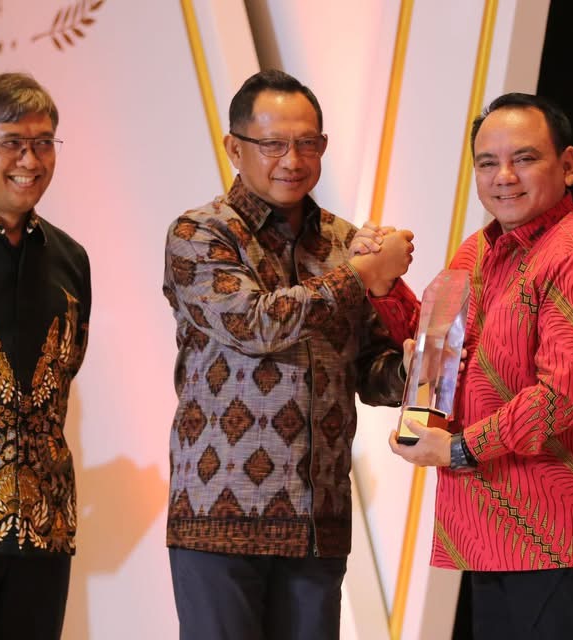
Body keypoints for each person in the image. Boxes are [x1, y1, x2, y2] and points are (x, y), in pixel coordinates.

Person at [369, 93, 573, 639]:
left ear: (567, 165)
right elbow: (436, 346)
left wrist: (457, 448)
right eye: (487, 162)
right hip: (494, 530)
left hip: (570, 534)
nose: (504, 177)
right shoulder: (478, 251)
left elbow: (563, 395)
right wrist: (383, 286)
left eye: (524, 158)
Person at [162, 69, 414, 640]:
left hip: (319, 521)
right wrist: (360, 275)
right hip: (219, 517)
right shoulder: (200, 233)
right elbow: (256, 323)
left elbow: (370, 372)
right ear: (234, 148)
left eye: (307, 143)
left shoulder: (347, 242)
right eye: (273, 144)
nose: (292, 160)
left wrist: (417, 367)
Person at [0, 73, 91, 639]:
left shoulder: (70, 259)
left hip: (43, 526)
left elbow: (68, 368)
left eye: (43, 143)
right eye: (12, 143)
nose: (30, 161)